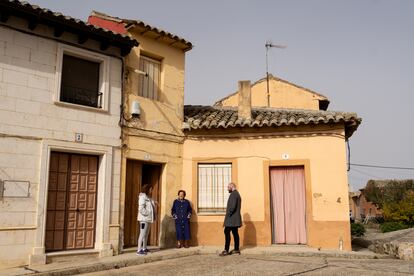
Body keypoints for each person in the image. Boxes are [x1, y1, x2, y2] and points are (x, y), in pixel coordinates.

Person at [219, 182, 242, 256]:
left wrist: (227, 216)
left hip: (231, 219)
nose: (227, 189)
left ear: (232, 187)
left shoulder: (233, 194)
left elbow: (232, 207)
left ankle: (226, 250)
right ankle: (236, 249)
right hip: (234, 219)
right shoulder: (236, 194)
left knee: (226, 232)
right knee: (235, 233)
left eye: (228, 187)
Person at [137, 183, 155, 256]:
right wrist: (147, 213)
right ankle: (139, 250)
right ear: (147, 189)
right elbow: (141, 208)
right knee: (142, 234)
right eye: (151, 189)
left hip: (148, 219)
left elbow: (151, 204)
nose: (151, 190)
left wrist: (155, 203)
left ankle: (144, 248)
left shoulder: (148, 197)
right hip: (144, 219)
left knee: (146, 234)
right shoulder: (142, 197)